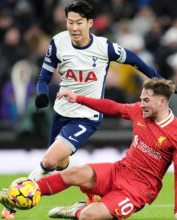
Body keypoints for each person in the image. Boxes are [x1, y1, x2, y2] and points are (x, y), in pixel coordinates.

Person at [0, 78, 177, 220]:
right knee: (75, 173)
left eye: (146, 100)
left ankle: (77, 210)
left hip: (137, 191)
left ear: (162, 102)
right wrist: (79, 99)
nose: (141, 104)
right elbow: (112, 107)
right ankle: (20, 195)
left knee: (89, 216)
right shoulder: (140, 112)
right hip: (119, 170)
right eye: (141, 99)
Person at [30, 1, 162, 182]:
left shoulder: (104, 47)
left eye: (79, 22)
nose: (74, 27)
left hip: (87, 115)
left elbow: (135, 60)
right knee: (61, 164)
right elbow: (44, 77)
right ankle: (95, 186)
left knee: (49, 161)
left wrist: (158, 80)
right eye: (70, 22)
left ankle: (14, 198)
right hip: (61, 111)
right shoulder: (58, 42)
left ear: (90, 23)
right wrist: (42, 94)